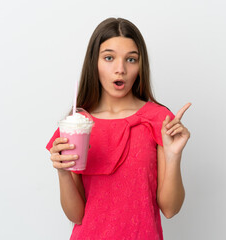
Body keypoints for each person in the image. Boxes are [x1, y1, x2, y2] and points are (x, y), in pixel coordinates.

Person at [46, 17, 191, 240]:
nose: (120, 69)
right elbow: (76, 216)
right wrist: (63, 173)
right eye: (109, 58)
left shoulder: (158, 119)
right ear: (94, 62)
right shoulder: (77, 125)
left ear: (140, 66)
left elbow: (171, 209)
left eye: (131, 59)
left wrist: (173, 157)